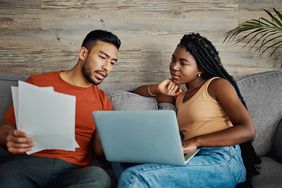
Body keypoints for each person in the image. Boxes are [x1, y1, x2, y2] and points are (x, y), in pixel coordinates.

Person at [118, 33, 261, 188]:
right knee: (123, 161)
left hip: (221, 158)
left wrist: (193, 141)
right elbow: (131, 95)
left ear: (200, 68)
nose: (174, 66)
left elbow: (248, 130)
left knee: (134, 177)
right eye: (173, 59)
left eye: (183, 63)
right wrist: (157, 88)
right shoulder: (179, 96)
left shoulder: (216, 85)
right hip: (193, 157)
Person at [0, 29, 121, 188]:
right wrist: (9, 136)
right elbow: (6, 127)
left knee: (99, 177)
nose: (107, 67)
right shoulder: (37, 82)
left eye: (112, 62)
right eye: (102, 57)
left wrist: (120, 144)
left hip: (73, 171)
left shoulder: (102, 100)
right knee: (5, 175)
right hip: (28, 164)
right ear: (83, 53)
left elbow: (100, 149)